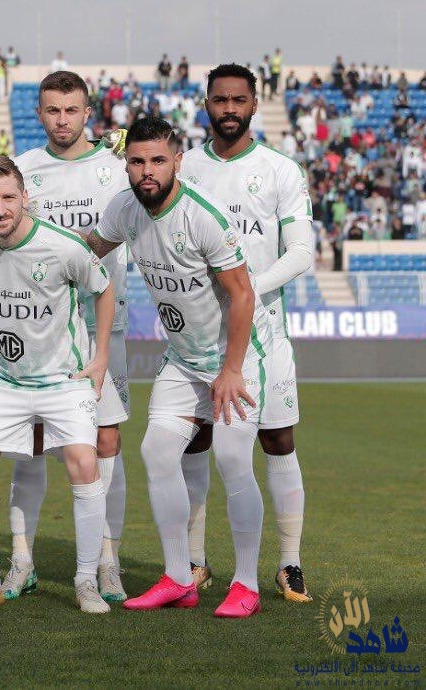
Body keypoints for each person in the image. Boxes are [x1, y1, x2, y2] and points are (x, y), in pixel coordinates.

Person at [88, 116, 271, 619]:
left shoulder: (202, 216)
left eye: (157, 160)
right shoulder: (124, 208)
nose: (147, 170)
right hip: (183, 359)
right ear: (126, 164)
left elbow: (242, 294)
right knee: (156, 451)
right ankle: (178, 578)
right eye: (137, 161)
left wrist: (231, 370)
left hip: (233, 361)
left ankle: (247, 583)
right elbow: (90, 248)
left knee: (232, 459)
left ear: (177, 162)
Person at [0, 156, 114, 613]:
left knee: (83, 462)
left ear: (24, 197)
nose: (0, 209)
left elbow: (104, 287)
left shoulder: (63, 246)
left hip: (62, 379)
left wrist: (100, 358)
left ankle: (87, 580)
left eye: (9, 197)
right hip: (1, 378)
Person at [178, 63, 315, 603]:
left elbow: (301, 252)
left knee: (277, 440)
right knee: (195, 437)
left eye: (239, 100)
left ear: (254, 104)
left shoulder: (281, 170)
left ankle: (289, 563)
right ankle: (194, 560)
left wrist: (246, 290)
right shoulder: (186, 166)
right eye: (220, 100)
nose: (229, 109)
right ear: (206, 105)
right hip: (199, 334)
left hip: (265, 333)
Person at [12, 70, 132, 603]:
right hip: (40, 329)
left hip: (105, 325)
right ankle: (21, 561)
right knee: (32, 443)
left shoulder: (117, 169)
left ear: (88, 113)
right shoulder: (22, 170)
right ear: (40, 113)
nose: (62, 120)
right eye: (52, 110)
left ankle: (108, 560)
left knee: (106, 442)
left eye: (71, 110)